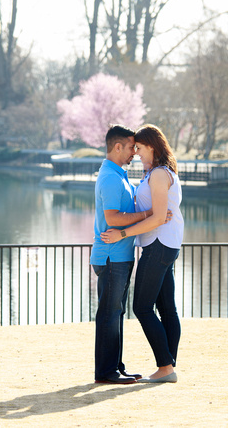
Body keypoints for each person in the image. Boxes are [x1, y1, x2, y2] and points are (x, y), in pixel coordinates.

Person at [101, 124, 184, 384]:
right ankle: (168, 365)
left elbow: (159, 218)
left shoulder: (159, 174)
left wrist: (122, 234)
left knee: (142, 307)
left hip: (158, 244)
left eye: (139, 147)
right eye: (134, 147)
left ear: (152, 146)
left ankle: (165, 366)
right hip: (162, 244)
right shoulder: (155, 173)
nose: (136, 152)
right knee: (167, 308)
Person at [90, 124, 153, 385]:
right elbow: (113, 217)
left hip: (120, 256)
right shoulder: (111, 178)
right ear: (117, 147)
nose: (133, 153)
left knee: (116, 313)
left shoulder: (119, 174)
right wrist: (150, 215)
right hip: (111, 257)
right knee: (109, 313)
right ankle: (106, 372)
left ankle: (115, 366)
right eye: (130, 147)